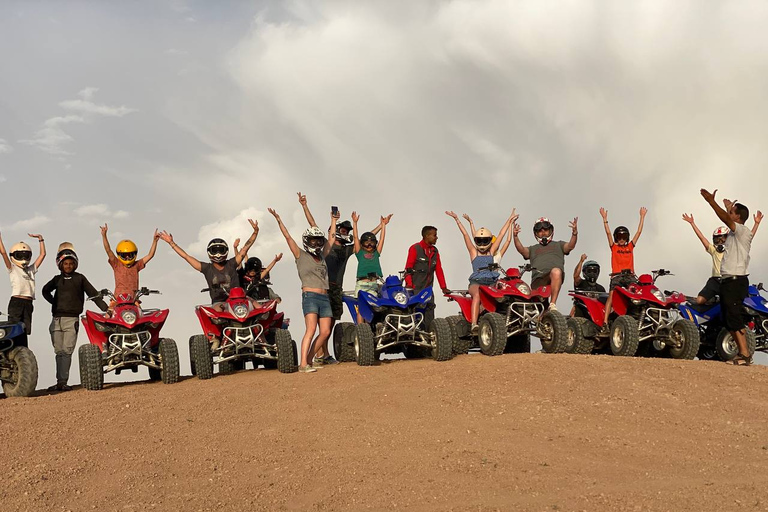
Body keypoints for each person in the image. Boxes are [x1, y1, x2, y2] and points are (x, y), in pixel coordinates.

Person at [297, 192, 383, 365]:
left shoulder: (346, 249)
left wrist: (381, 226)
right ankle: (321, 355)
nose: (344, 233)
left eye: (346, 231)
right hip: (322, 287)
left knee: (331, 321)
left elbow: (366, 240)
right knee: (321, 324)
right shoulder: (324, 247)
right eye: (341, 230)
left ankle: (324, 354)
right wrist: (304, 206)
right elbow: (313, 224)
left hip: (337, 288)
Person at [268, 207, 336, 373]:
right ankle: (303, 364)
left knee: (326, 331)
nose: (317, 244)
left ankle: (309, 359)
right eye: (313, 241)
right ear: (307, 241)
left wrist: (333, 220)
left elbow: (332, 239)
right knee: (311, 330)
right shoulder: (301, 255)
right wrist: (278, 219)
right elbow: (288, 237)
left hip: (325, 297)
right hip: (310, 296)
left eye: (319, 241)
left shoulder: (322, 256)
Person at [42, 243, 108, 391]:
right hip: (56, 320)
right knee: (59, 352)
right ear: (60, 264)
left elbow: (94, 294)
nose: (68, 266)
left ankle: (63, 382)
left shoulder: (80, 278)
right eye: (65, 263)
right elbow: (45, 291)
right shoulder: (56, 280)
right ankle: (60, 382)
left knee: (66, 352)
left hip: (71, 320)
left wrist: (106, 309)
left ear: (75, 264)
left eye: (71, 263)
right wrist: (54, 302)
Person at [701, 189, 756, 366]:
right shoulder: (734, 233)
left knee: (734, 317)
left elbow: (725, 219)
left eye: (732, 212)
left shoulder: (742, 231)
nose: (729, 214)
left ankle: (745, 354)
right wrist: (728, 207)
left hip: (736, 281)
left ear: (738, 217)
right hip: (727, 281)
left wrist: (711, 202)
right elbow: (728, 218)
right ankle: (742, 352)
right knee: (727, 319)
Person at [159, 219, 259, 308]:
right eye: (215, 250)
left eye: (221, 250)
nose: (218, 254)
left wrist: (255, 232)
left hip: (239, 300)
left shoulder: (231, 263)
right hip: (219, 302)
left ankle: (268, 328)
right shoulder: (207, 268)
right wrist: (171, 243)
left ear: (226, 251)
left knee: (257, 305)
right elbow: (186, 256)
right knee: (216, 311)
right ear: (209, 252)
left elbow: (245, 249)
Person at [445, 210, 516, 335]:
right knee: (477, 294)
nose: (482, 244)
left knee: (505, 293)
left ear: (489, 240)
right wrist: (457, 220)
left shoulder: (491, 251)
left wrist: (510, 220)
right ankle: (474, 324)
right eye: (479, 241)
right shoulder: (473, 252)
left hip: (491, 283)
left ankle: (508, 321)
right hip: (476, 282)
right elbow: (466, 235)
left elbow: (501, 234)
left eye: (485, 241)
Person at [682, 211, 762, 305]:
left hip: (727, 280)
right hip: (715, 280)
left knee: (730, 303)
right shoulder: (713, 250)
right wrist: (692, 223)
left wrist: (756, 224)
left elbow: (748, 238)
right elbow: (702, 238)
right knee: (700, 301)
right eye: (717, 239)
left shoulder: (734, 249)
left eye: (723, 239)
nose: (720, 241)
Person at [512, 215, 578, 310]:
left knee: (556, 271)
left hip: (553, 276)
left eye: (546, 230)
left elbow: (570, 246)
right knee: (540, 309)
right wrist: (515, 236)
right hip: (538, 280)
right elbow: (521, 250)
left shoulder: (558, 244)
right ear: (536, 233)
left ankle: (553, 304)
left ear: (551, 231)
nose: (543, 233)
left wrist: (574, 233)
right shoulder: (533, 248)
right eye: (540, 231)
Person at [599, 207, 647, 327]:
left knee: (637, 294)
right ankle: (605, 321)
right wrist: (605, 219)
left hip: (630, 276)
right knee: (611, 295)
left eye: (624, 237)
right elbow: (608, 233)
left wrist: (642, 217)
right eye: (619, 237)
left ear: (627, 238)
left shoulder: (630, 247)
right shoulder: (614, 247)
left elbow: (639, 232)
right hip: (617, 277)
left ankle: (636, 317)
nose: (621, 239)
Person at [0, 232, 46, 347]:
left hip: (28, 303)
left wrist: (41, 240)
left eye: (26, 255)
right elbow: (4, 253)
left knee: (25, 330)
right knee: (13, 329)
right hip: (16, 301)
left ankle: (23, 352)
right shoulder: (13, 268)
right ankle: (11, 352)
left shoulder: (31, 269)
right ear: (14, 256)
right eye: (20, 255)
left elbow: (43, 255)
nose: (23, 258)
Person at [100, 224, 159, 306]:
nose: (127, 257)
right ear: (119, 254)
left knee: (140, 314)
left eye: (130, 255)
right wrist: (104, 235)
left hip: (133, 299)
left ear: (134, 254)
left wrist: (155, 241)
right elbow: (108, 250)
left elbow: (150, 255)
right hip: (117, 299)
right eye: (124, 255)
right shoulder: (116, 264)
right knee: (109, 313)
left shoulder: (137, 265)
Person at [404, 225, 450, 329]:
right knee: (416, 313)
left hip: (428, 289)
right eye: (434, 235)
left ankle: (430, 336)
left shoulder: (435, 251)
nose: (436, 237)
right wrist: (410, 286)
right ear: (427, 236)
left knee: (430, 311)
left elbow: (439, 270)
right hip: (415, 290)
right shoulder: (415, 248)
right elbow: (408, 268)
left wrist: (443, 287)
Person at [351, 211, 393, 323]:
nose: (369, 246)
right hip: (362, 284)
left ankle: (369, 331)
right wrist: (354, 223)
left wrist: (383, 225)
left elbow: (382, 239)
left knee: (373, 308)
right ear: (362, 244)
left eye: (372, 243)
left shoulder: (376, 253)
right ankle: (361, 330)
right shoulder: (359, 252)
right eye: (366, 243)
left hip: (374, 284)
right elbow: (355, 237)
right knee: (361, 308)